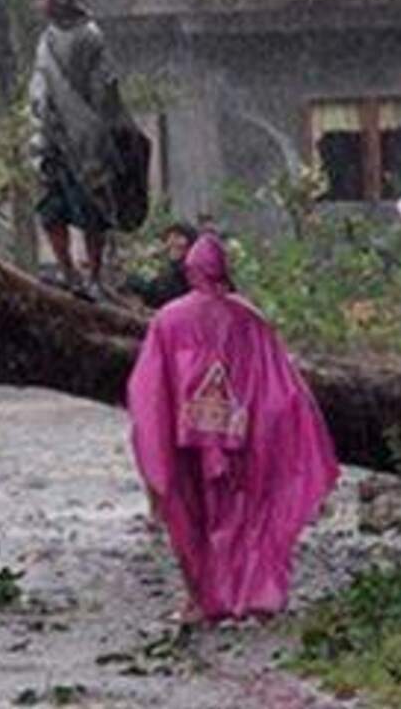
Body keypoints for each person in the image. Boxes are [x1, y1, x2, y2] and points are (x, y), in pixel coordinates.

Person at [128, 234, 340, 625]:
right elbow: (279, 384)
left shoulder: (169, 319)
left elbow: (149, 388)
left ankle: (199, 600)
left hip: (185, 439)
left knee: (190, 520)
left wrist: (156, 435)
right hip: (241, 437)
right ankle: (252, 597)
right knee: (246, 516)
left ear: (189, 270)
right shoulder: (249, 318)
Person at [28, 0, 132, 301]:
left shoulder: (90, 35)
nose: (39, 3)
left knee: (92, 210)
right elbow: (40, 82)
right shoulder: (46, 39)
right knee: (50, 208)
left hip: (85, 138)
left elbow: (103, 87)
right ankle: (67, 271)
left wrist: (96, 128)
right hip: (51, 137)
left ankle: (94, 275)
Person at [125, 223, 199, 309]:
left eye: (177, 237)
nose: (171, 242)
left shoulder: (187, 270)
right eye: (169, 238)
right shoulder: (173, 266)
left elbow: (163, 296)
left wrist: (140, 286)